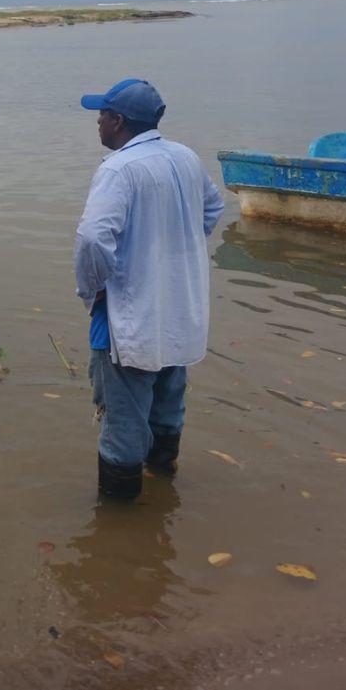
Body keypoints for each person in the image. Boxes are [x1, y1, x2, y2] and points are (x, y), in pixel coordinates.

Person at [73, 78, 224, 500]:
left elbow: (92, 239)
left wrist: (92, 290)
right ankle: (163, 479)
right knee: (168, 406)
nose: (98, 122)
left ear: (118, 121)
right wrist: (178, 255)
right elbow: (213, 207)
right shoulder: (186, 157)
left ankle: (120, 520)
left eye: (102, 114)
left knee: (123, 421)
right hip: (181, 311)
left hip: (133, 317)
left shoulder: (119, 169)